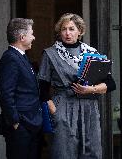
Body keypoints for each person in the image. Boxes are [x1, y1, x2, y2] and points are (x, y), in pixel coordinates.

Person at [38, 13, 116, 159]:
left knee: (91, 152)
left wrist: (90, 90)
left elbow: (111, 84)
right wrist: (55, 112)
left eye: (72, 29)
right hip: (63, 106)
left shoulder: (92, 54)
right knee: (63, 152)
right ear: (59, 32)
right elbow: (42, 88)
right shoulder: (50, 54)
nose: (67, 33)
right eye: (64, 29)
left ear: (80, 31)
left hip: (89, 108)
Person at [0, 18, 42, 159]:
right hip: (21, 125)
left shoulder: (21, 57)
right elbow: (6, 94)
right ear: (22, 37)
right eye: (31, 34)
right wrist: (15, 122)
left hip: (31, 123)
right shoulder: (10, 58)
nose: (33, 37)